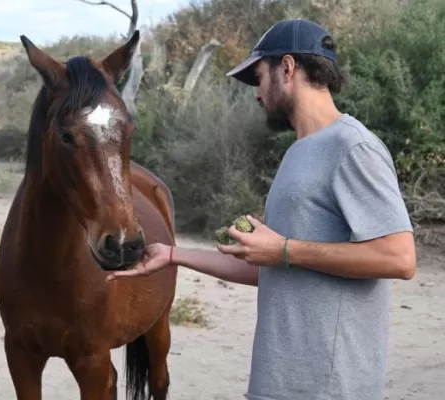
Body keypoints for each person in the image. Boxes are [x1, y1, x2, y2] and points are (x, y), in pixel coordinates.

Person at [107, 18, 417, 400]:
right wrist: (172, 254)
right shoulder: (298, 153)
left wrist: (285, 249)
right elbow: (273, 267)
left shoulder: (353, 147)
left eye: (258, 77)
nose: (256, 93)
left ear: (287, 68)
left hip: (330, 388)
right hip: (279, 381)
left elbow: (399, 257)